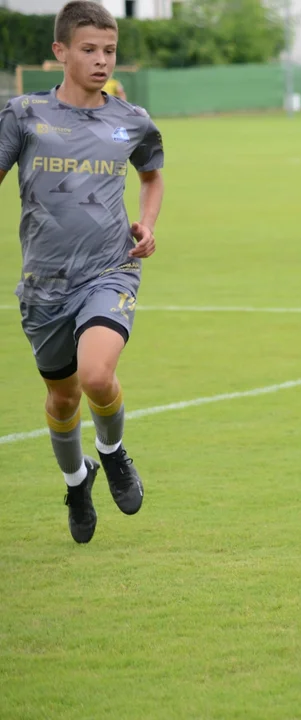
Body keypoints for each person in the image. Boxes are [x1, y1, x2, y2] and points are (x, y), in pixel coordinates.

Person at [0, 0, 165, 544]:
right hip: (44, 285)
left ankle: (113, 453)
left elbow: (152, 175)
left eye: (110, 50)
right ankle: (76, 480)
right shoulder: (23, 114)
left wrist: (145, 223)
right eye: (89, 49)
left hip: (109, 270)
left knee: (97, 375)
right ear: (60, 51)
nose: (101, 60)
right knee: (63, 398)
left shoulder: (131, 120)